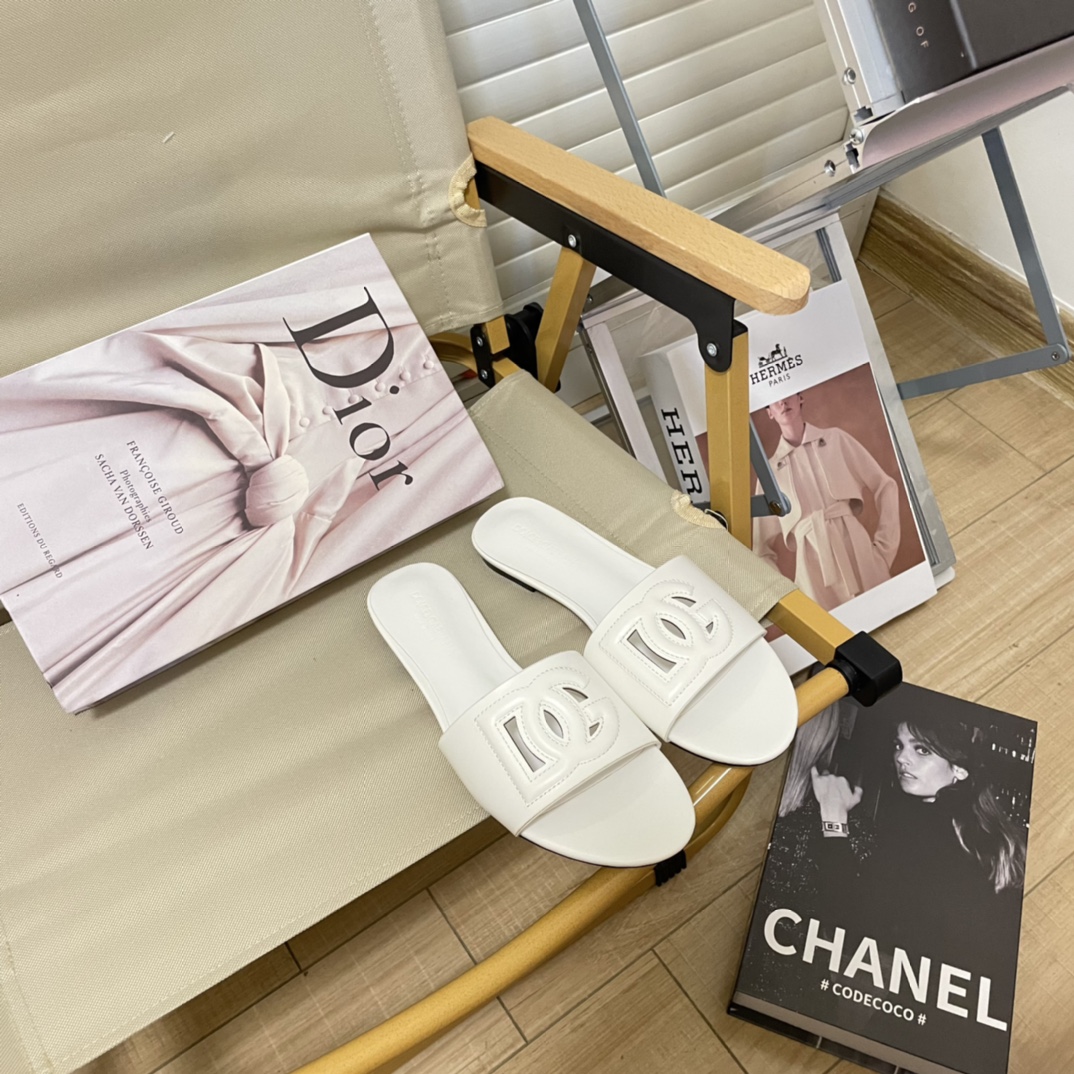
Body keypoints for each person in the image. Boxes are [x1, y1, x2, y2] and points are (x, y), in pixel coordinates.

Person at [754, 392, 901, 610]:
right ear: (769, 413)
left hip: (861, 557)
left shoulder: (835, 439)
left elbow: (885, 486)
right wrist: (791, 598)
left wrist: (884, 551)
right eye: (774, 400)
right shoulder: (770, 474)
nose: (782, 402)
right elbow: (760, 550)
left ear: (800, 397)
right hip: (813, 576)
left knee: (888, 614)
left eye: (787, 394)